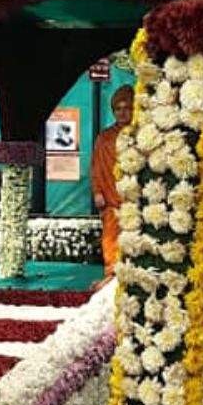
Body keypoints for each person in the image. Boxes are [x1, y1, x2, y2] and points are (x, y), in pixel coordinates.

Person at [91, 85, 134, 281]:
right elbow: (96, 167)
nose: (122, 112)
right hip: (110, 198)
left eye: (127, 108)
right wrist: (97, 192)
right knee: (111, 238)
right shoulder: (105, 137)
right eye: (118, 108)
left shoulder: (140, 134)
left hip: (135, 199)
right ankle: (111, 275)